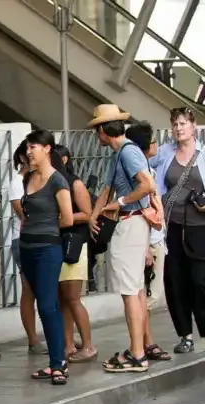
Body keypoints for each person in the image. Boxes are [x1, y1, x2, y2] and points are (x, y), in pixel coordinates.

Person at [89, 105, 155, 373]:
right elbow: (106, 188)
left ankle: (138, 354)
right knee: (136, 290)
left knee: (130, 293)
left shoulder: (127, 153)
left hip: (130, 223)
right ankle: (136, 348)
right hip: (133, 224)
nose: (96, 135)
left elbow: (147, 184)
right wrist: (95, 215)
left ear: (104, 130)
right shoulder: (121, 153)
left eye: (97, 130)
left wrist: (121, 202)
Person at [20, 130, 73, 384]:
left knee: (48, 304)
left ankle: (59, 363)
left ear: (47, 149)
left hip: (48, 248)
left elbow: (68, 218)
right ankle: (54, 362)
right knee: (41, 301)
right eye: (28, 147)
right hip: (26, 247)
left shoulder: (57, 181)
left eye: (34, 147)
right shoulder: (28, 177)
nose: (29, 152)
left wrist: (47, 228)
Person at [151, 107, 205, 355]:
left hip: (201, 229)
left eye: (183, 123)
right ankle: (185, 335)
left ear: (194, 127)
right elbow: (147, 174)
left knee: (200, 281)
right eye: (175, 124)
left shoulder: (204, 154)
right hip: (172, 227)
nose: (179, 128)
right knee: (175, 282)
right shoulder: (164, 153)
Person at [127, 122, 170, 361]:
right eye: (153, 141)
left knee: (147, 295)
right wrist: (145, 247)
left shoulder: (148, 171)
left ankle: (145, 342)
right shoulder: (138, 175)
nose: (156, 145)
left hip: (155, 238)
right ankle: (140, 343)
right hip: (147, 242)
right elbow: (139, 212)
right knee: (147, 297)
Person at [54, 147, 97, 363]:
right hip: (58, 243)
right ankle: (69, 345)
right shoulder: (51, 183)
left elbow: (87, 214)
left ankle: (88, 346)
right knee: (63, 300)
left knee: (73, 298)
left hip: (73, 245)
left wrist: (62, 217)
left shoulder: (75, 184)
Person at [9, 140, 44, 354]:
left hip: (40, 238)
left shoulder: (42, 180)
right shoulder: (18, 182)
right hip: (22, 240)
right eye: (29, 151)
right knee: (29, 291)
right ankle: (33, 339)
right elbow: (22, 213)